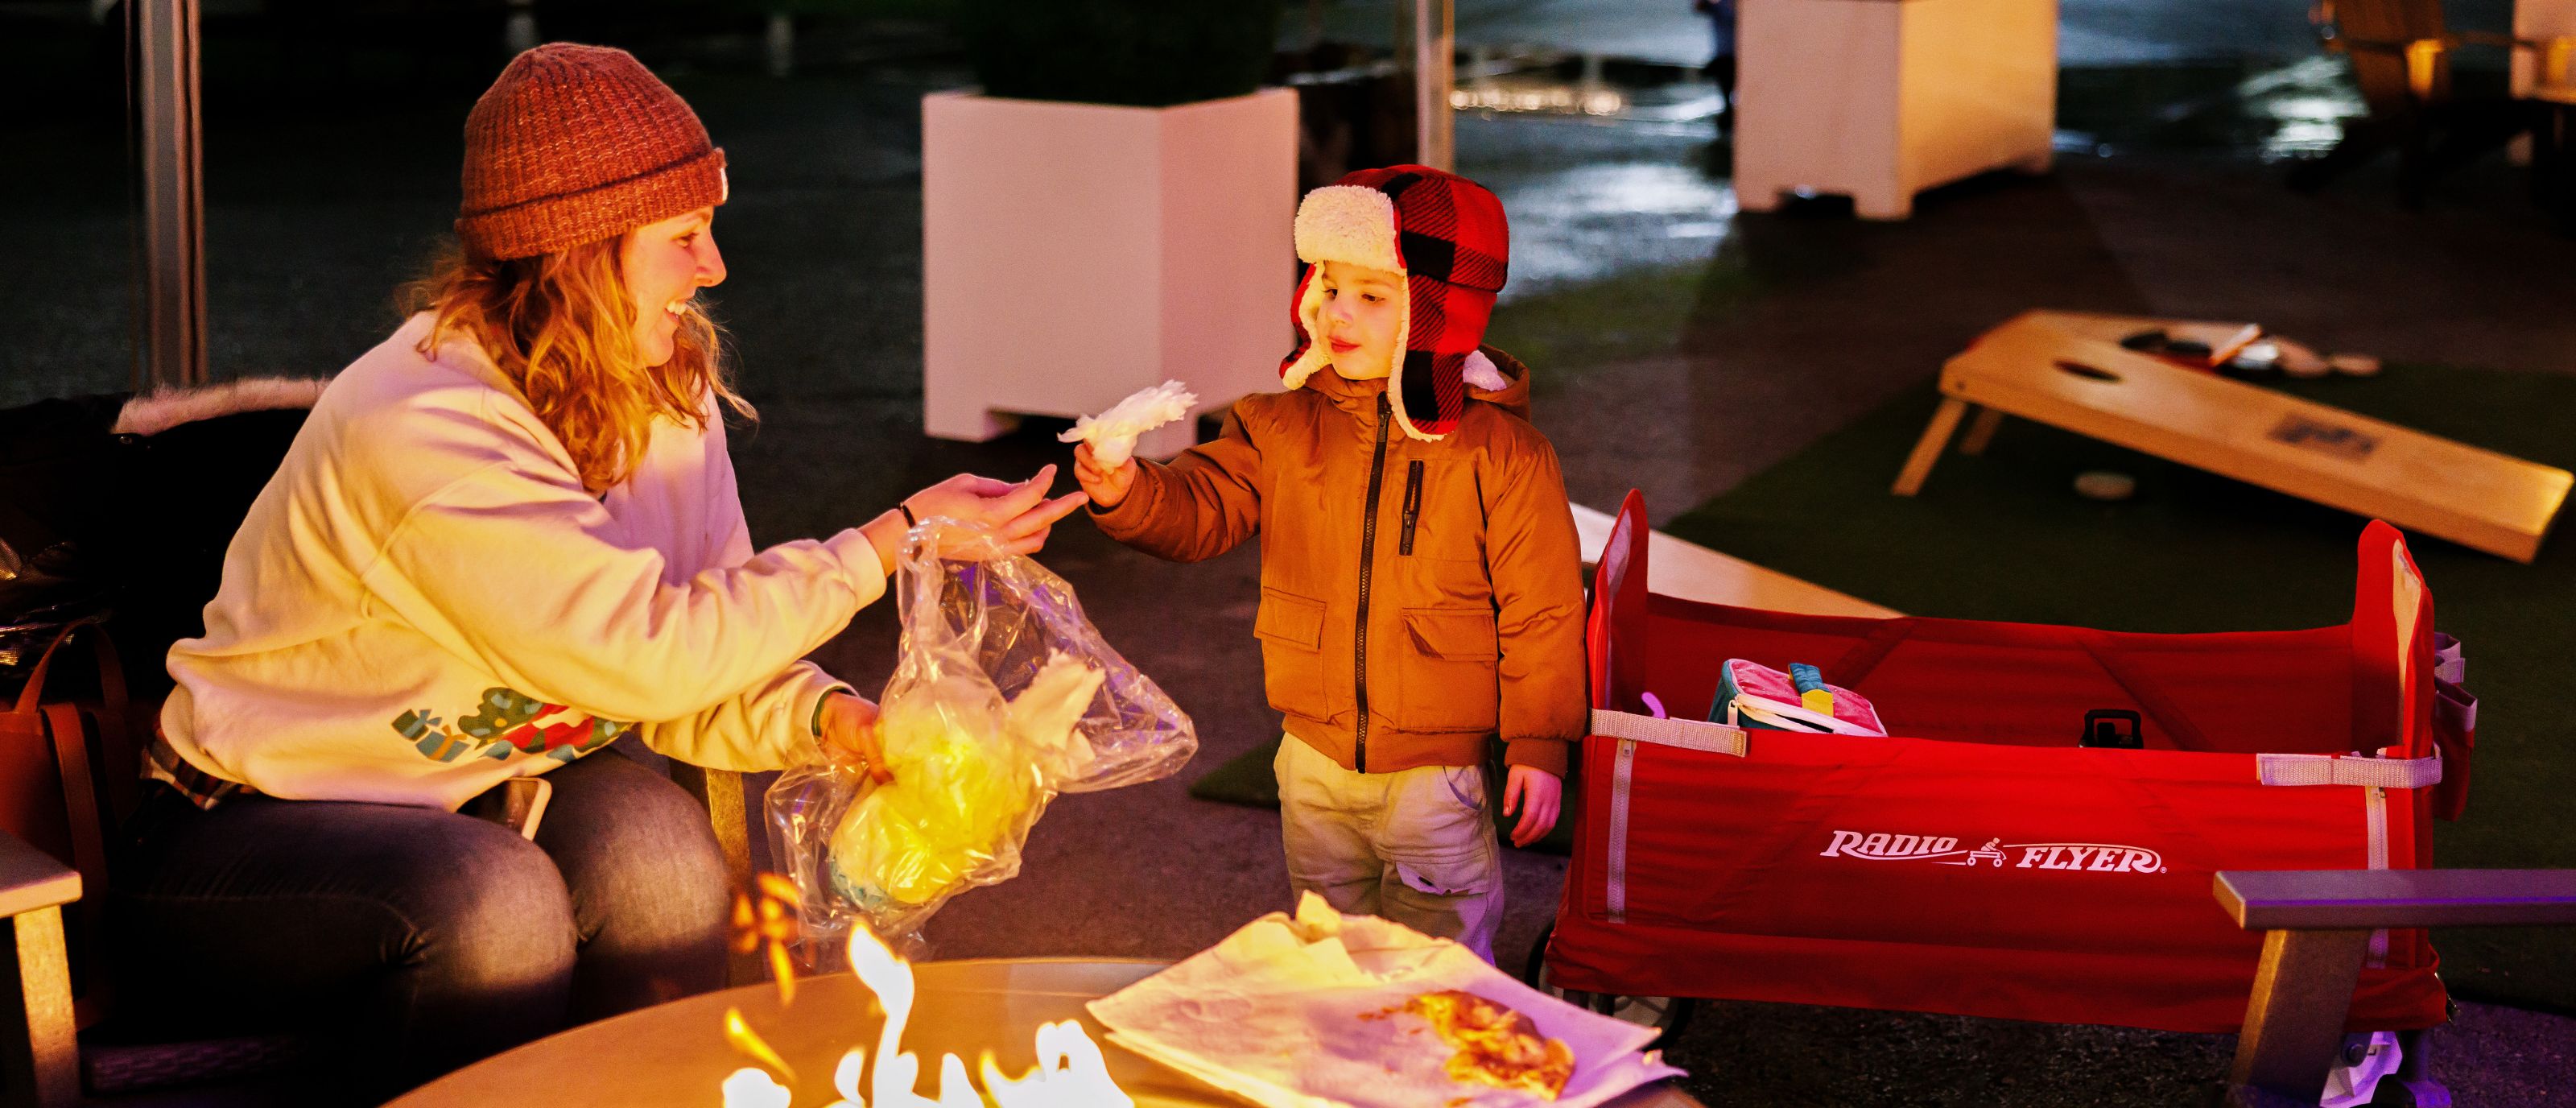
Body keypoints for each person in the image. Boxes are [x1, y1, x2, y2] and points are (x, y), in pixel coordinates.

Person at [112, 43, 1084, 1094]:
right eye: (684, 237)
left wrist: (836, 721)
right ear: (582, 252)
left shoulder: (664, 391)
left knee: (657, 854)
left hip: (477, 795)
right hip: (245, 837)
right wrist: (883, 543)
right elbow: (645, 657)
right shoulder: (432, 427)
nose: (713, 269)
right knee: (495, 904)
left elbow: (701, 655)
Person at [1072, 166, 1586, 961]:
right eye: (1329, 286)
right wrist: (1128, 489)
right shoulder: (1282, 427)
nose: (1338, 310)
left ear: (1436, 312)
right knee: (1328, 958)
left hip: (1434, 775)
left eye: (1372, 295)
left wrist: (1538, 746)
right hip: (1308, 760)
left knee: (1436, 969)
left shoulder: (1504, 454)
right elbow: (1204, 505)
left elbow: (1542, 609)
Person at [1695, 0, 1739, 135]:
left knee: (1728, 93)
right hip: (1726, 57)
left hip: (1729, 57)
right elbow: (1700, 7)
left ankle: (1728, 117)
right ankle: (1728, 118)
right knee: (1727, 93)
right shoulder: (1721, 5)